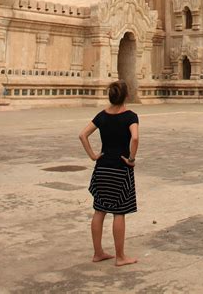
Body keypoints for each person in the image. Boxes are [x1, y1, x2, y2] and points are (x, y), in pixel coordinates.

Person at [79, 79, 139, 266]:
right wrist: (131, 159)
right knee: (119, 213)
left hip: (102, 167)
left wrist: (93, 156)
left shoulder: (102, 115)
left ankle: (98, 252)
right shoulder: (130, 116)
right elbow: (135, 138)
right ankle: (120, 257)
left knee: (99, 210)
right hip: (120, 169)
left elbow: (82, 135)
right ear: (126, 96)